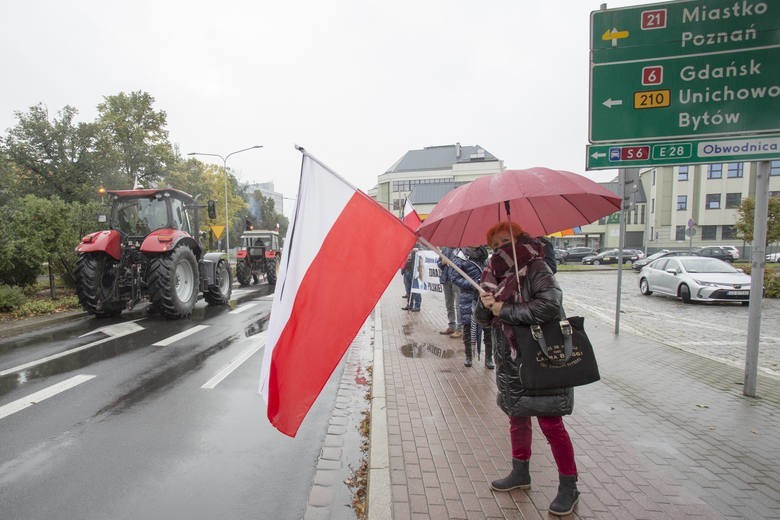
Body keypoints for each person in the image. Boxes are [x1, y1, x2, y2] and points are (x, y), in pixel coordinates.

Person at [475, 221, 580, 517]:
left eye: (503, 243)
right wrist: (485, 306)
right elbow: (482, 319)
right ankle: (520, 472)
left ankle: (569, 485)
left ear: (518, 239)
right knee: (517, 416)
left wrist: (503, 310)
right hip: (510, 360)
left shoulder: (537, 267)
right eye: (494, 247)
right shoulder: (491, 274)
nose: (499, 251)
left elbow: (549, 306)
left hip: (541, 355)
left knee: (551, 423)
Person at [450, 246, 492, 368]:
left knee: (488, 329)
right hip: (468, 298)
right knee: (468, 329)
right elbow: (455, 278)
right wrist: (473, 284)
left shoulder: (486, 257)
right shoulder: (460, 257)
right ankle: (469, 356)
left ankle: (489, 358)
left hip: (486, 297)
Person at [437, 248, 462, 338]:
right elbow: (439, 263)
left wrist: (453, 262)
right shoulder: (445, 250)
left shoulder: (461, 250)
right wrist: (442, 263)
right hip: (446, 280)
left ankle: (460, 329)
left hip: (456, 281)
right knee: (449, 304)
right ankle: (451, 326)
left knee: (458, 305)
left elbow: (464, 265)